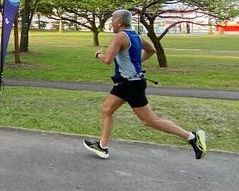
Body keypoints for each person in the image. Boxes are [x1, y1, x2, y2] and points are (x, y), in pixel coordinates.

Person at [84, 9, 207, 160]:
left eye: (112, 20)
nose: (111, 23)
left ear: (120, 22)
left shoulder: (119, 37)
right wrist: (136, 63)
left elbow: (108, 60)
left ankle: (192, 137)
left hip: (132, 84)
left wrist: (98, 54)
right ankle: (102, 146)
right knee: (107, 109)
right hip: (125, 83)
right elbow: (151, 50)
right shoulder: (136, 35)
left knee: (149, 121)